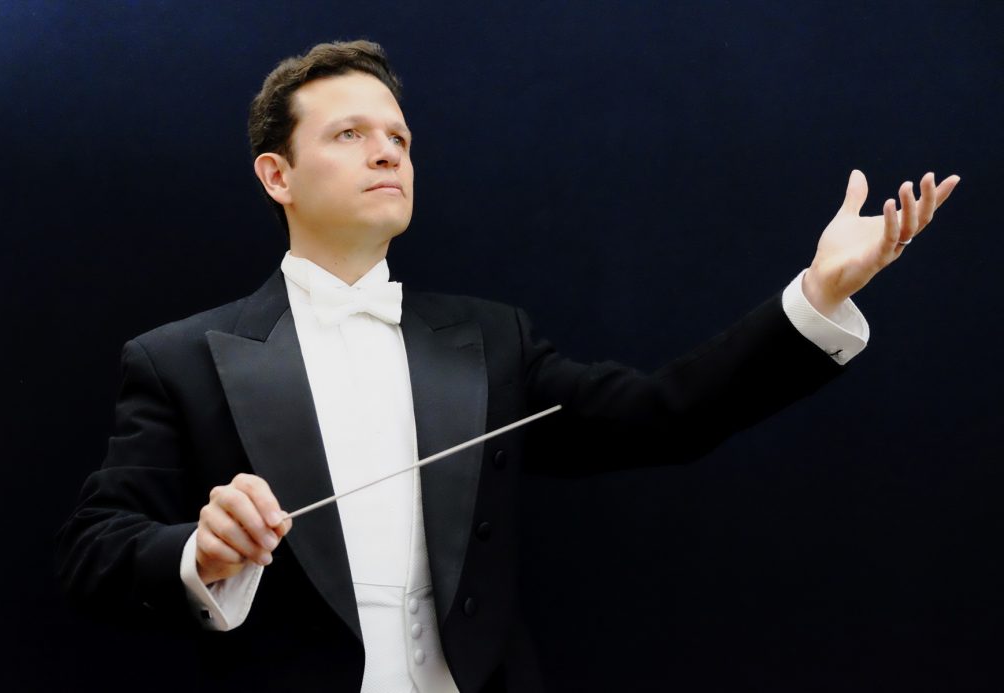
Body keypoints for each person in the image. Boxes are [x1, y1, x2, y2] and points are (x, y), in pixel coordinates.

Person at [55, 39, 959, 693]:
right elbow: (94, 550)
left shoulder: (490, 340)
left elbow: (665, 414)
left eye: (400, 139)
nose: (387, 152)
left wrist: (816, 294)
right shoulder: (177, 358)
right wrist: (197, 551)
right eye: (348, 135)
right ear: (275, 176)